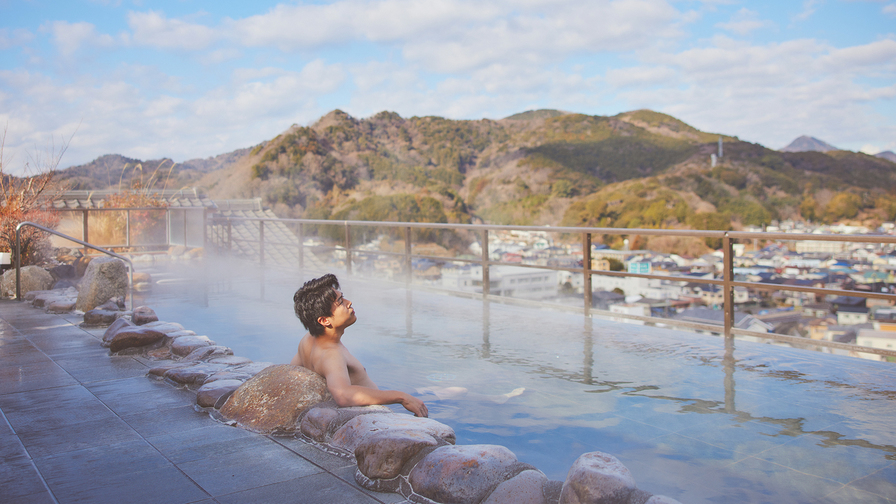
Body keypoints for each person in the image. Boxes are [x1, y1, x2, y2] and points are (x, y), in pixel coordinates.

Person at [290, 274, 428, 417]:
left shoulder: (308, 340)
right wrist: (401, 397)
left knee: (443, 391)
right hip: (371, 417)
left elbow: (292, 371)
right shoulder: (331, 354)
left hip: (368, 407)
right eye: (340, 302)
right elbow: (342, 395)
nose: (349, 302)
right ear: (324, 320)